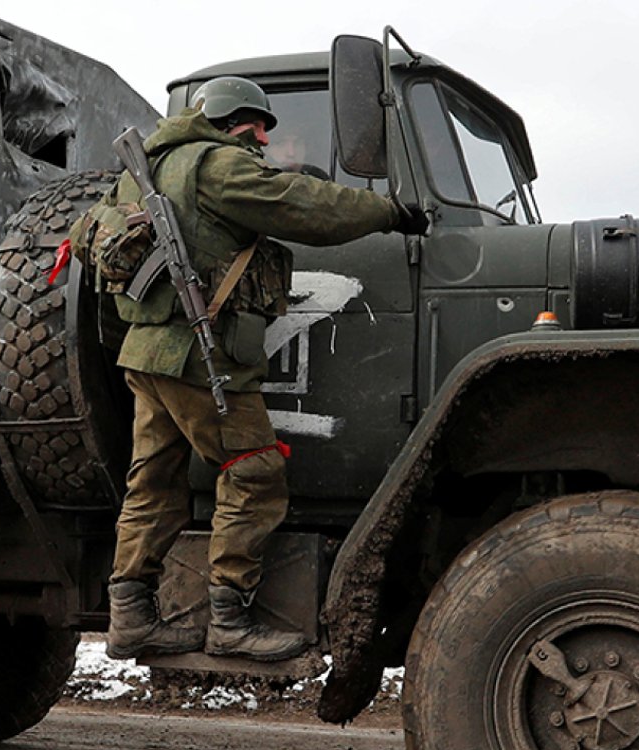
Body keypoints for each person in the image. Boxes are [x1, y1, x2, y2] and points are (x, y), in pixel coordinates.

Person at [101, 76, 427, 662]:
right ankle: (229, 619)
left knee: (153, 482)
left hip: (148, 354)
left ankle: (130, 618)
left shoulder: (142, 170)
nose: (264, 140)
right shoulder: (218, 166)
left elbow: (90, 233)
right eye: (258, 126)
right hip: (202, 358)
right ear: (235, 120)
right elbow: (306, 206)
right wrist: (389, 212)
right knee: (252, 471)